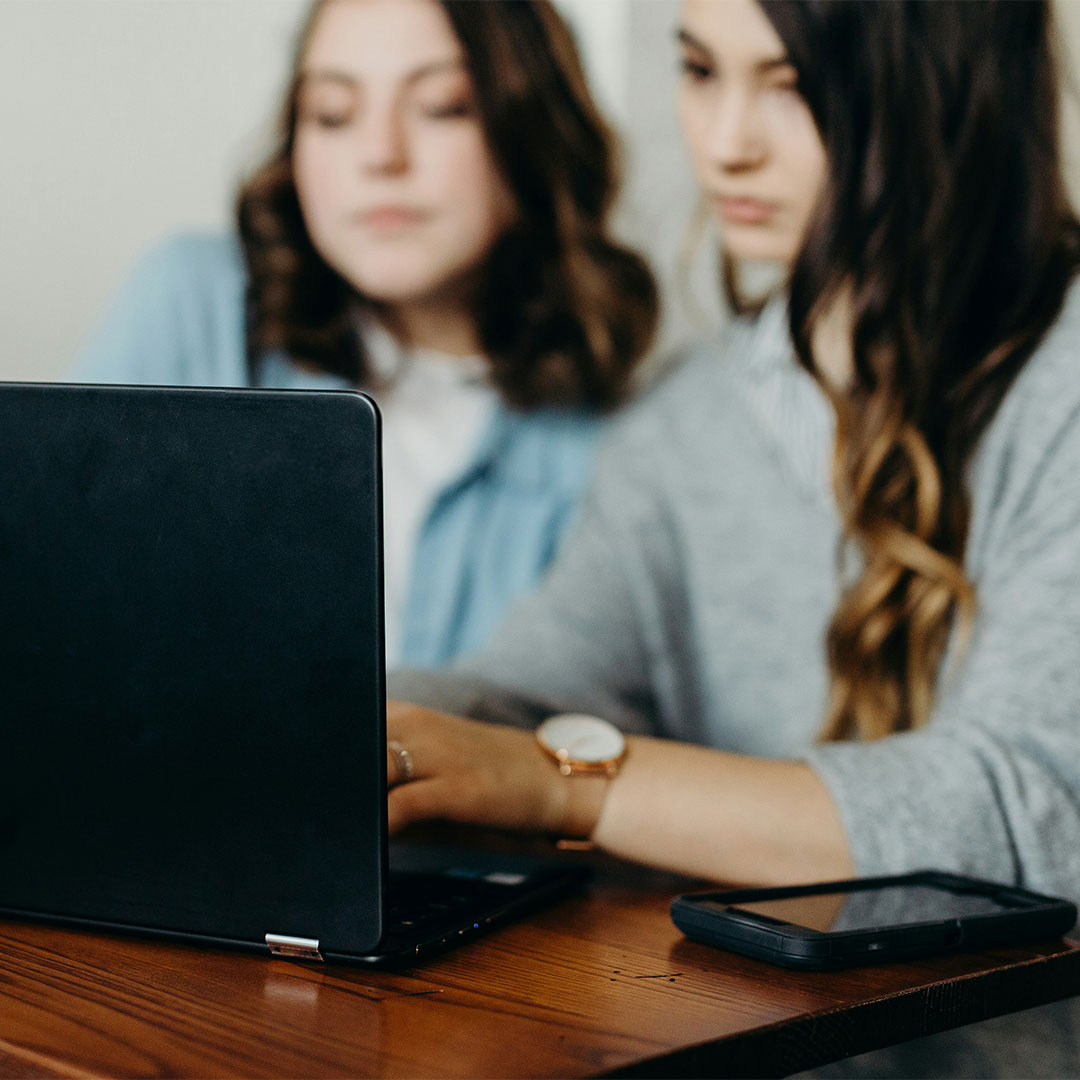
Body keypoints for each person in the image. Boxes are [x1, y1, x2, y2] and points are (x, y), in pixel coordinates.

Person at [386, 1, 1080, 1073]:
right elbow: (530, 688)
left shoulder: (1061, 387)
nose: (725, 140)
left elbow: (1030, 811)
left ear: (949, 92)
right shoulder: (686, 421)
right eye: (701, 71)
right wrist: (333, 719)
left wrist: (563, 784)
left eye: (791, 84)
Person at [71, 0, 657, 669]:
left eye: (442, 106)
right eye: (332, 114)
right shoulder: (193, 304)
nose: (380, 156)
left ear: (535, 129)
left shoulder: (623, 442)